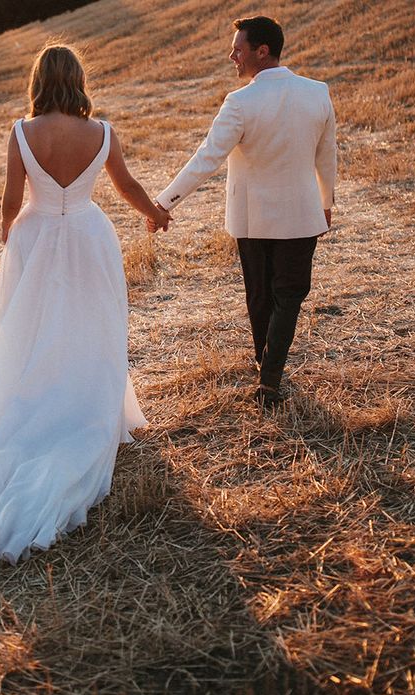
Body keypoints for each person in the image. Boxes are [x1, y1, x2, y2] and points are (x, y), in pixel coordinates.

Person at [0, 44, 171, 564]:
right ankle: (85, 402)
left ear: (39, 81)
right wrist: (154, 213)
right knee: (91, 326)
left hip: (35, 235)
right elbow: (127, 185)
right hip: (90, 236)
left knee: (29, 332)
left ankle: (32, 403)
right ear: (78, 80)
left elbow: (10, 199)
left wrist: (14, 240)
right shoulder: (102, 132)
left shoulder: (22, 133)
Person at [150, 16, 337, 408]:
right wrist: (325, 202)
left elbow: (207, 159)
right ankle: (269, 374)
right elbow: (327, 155)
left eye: (238, 48)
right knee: (289, 294)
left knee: (260, 295)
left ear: (262, 51)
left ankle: (266, 371)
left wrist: (164, 202)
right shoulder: (317, 92)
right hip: (303, 213)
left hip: (254, 219)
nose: (231, 56)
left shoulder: (240, 102)